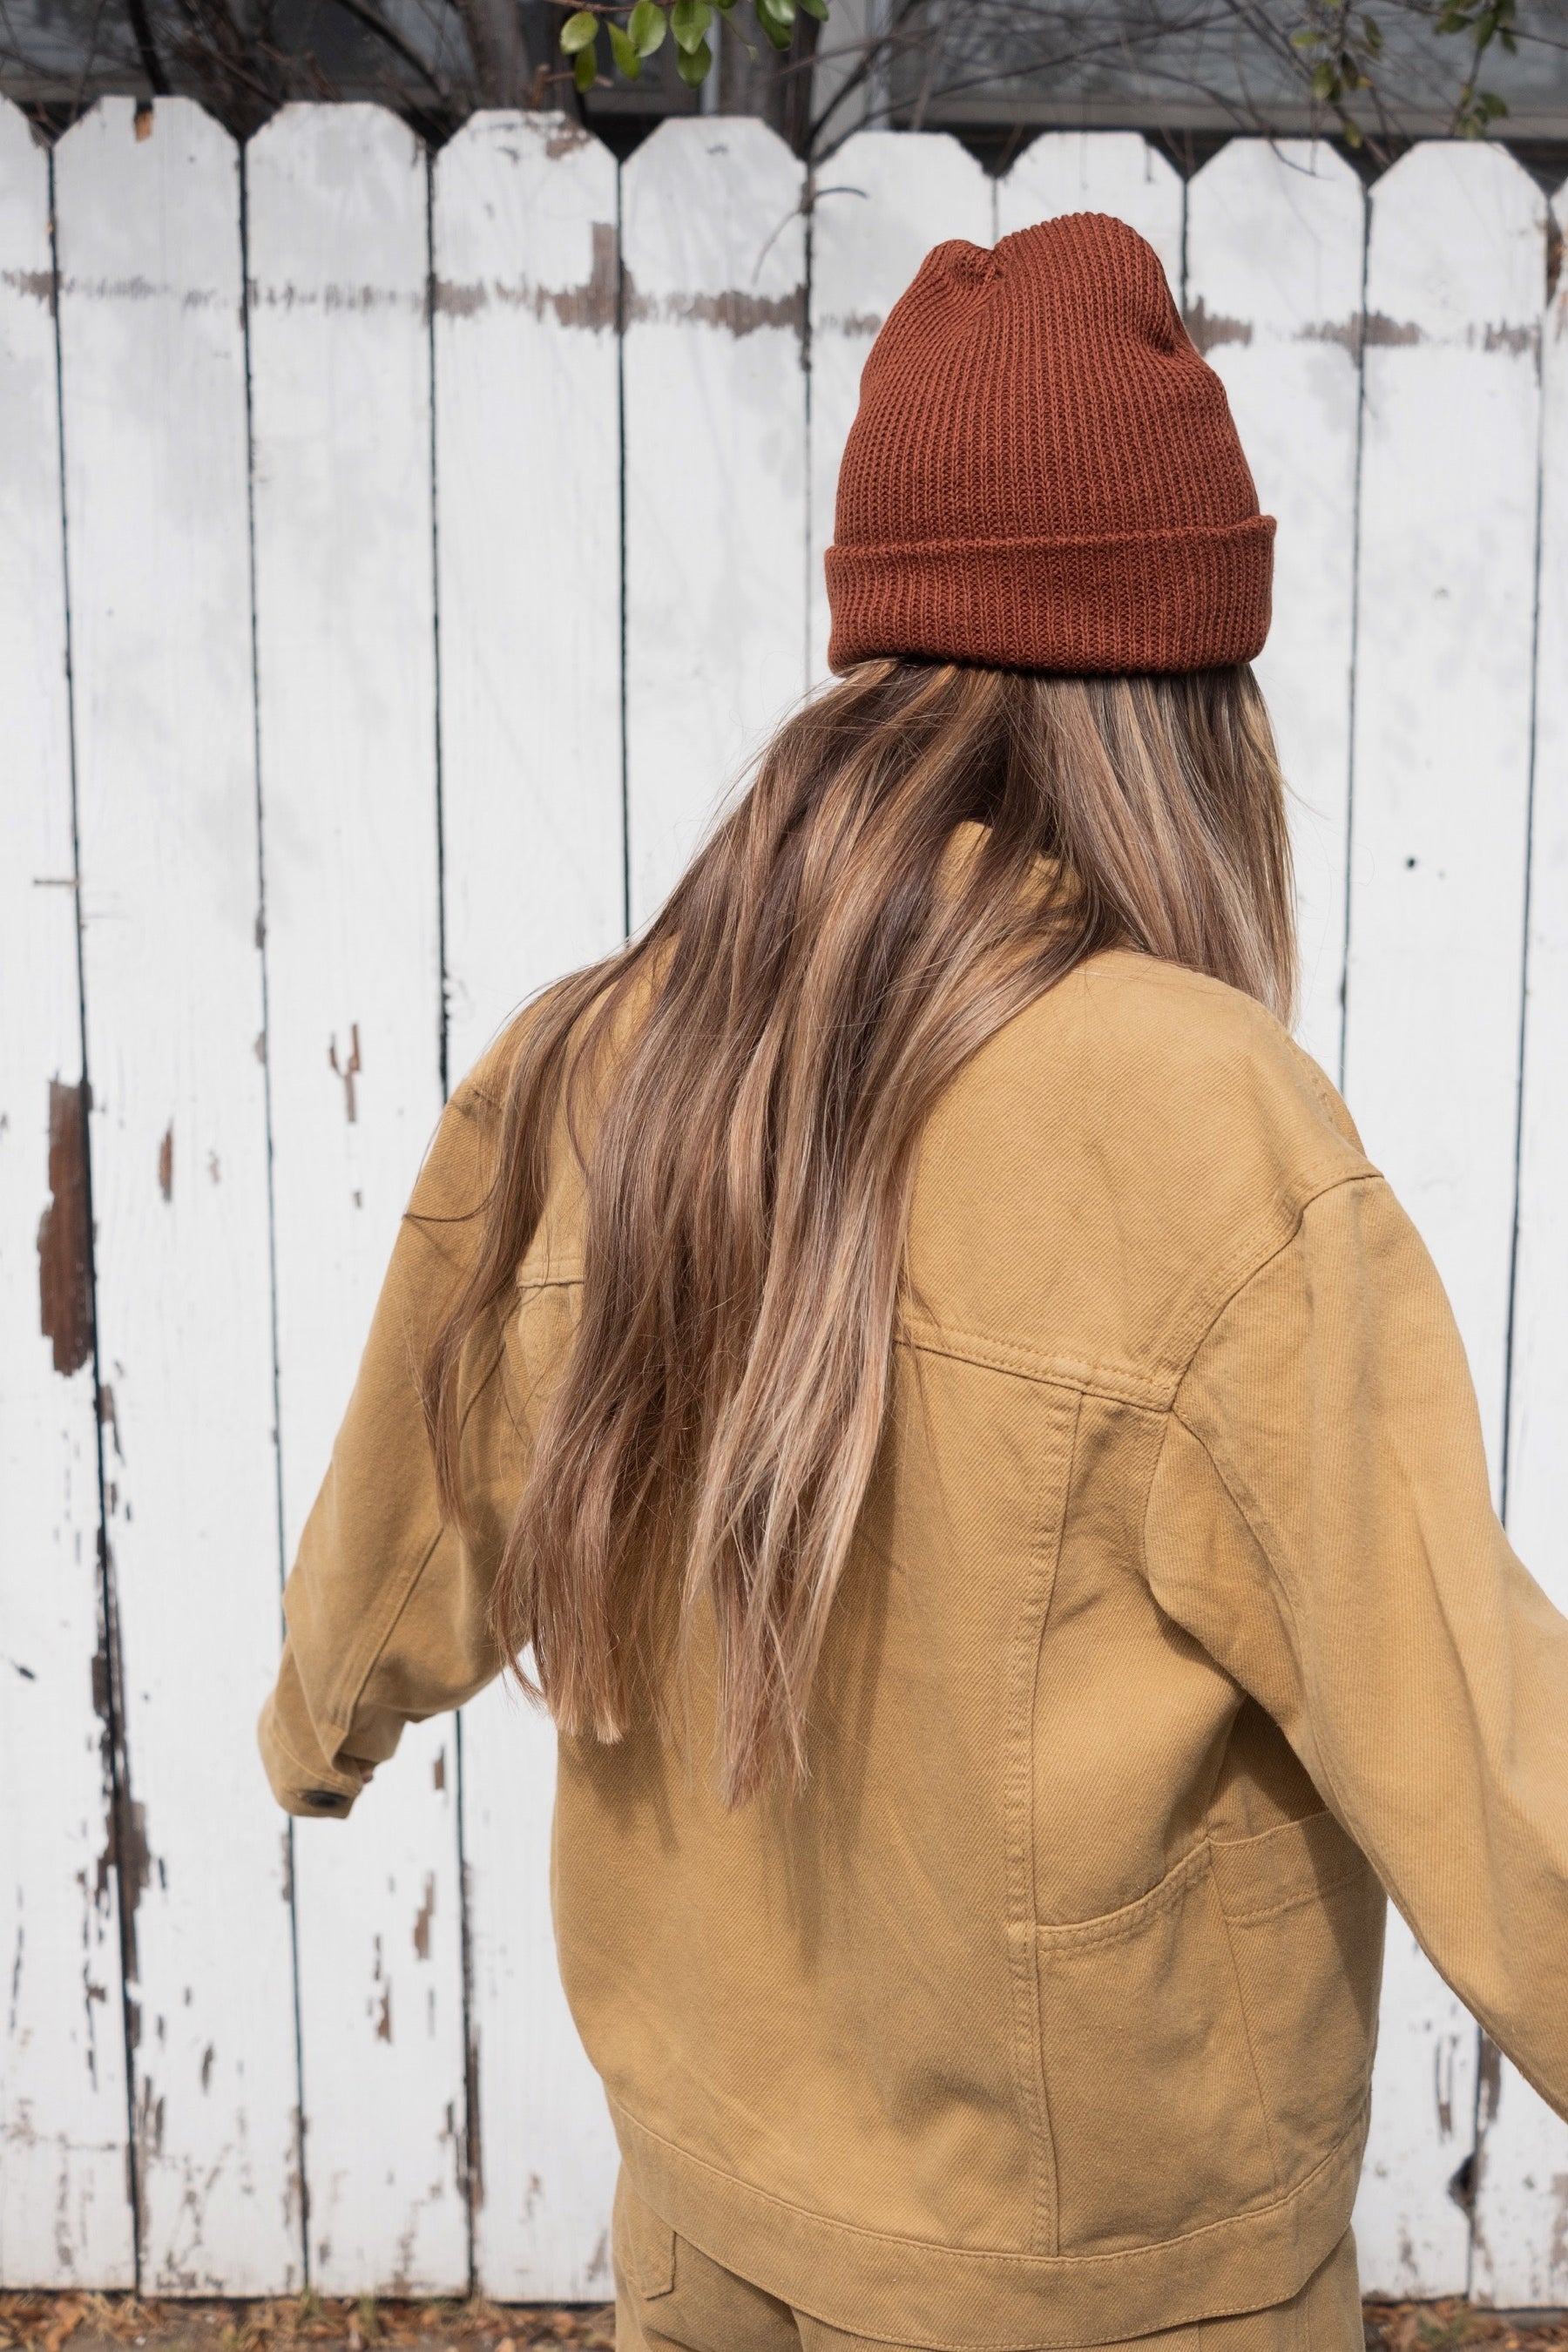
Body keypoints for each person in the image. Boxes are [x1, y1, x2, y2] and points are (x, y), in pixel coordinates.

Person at [259, 213, 1568, 2352]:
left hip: (705, 2226)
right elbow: (1488, 1751)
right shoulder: (1202, 1123)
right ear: (1187, 704)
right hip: (1100, 2298)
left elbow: (415, 1500)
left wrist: (321, 1720)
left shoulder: (617, 1046)